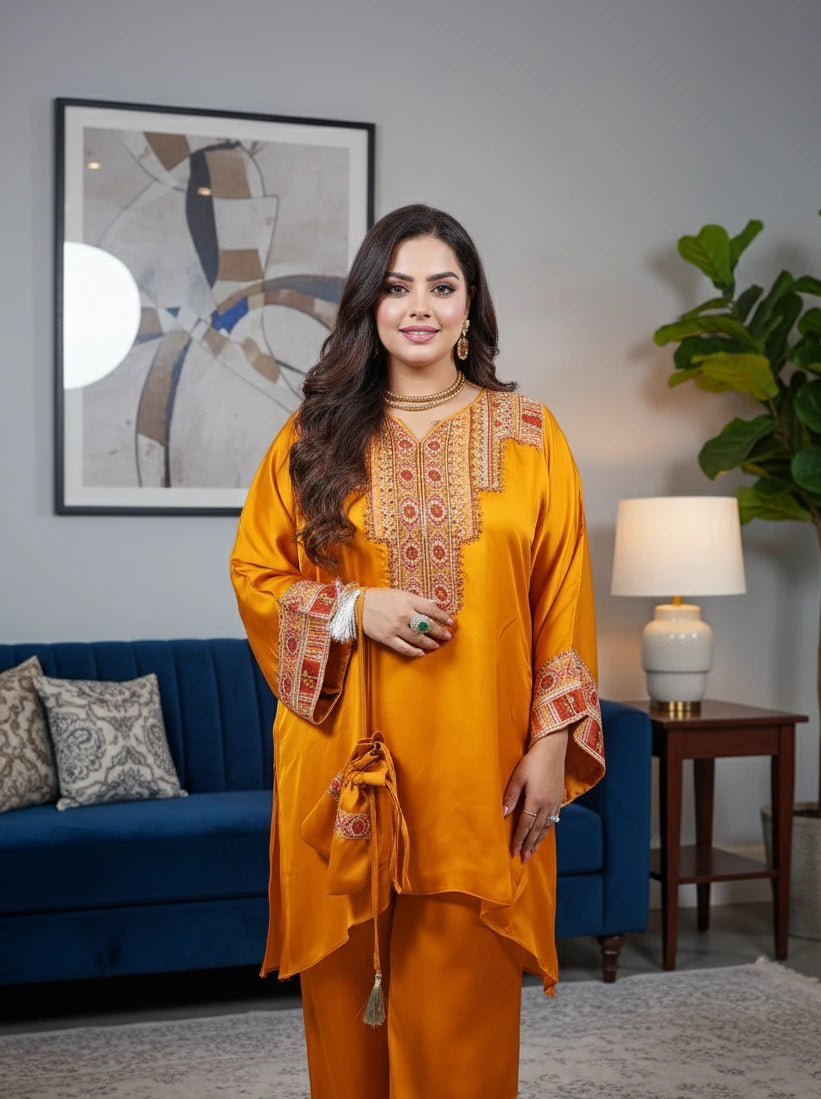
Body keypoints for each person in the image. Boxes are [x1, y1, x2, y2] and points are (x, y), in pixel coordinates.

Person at [230, 203, 605, 1099]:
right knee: (346, 1025)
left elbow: (563, 597)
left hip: (481, 772)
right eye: (398, 287)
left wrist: (553, 743)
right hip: (344, 775)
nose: (420, 307)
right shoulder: (313, 435)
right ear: (370, 303)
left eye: (442, 286)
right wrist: (356, 607)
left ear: (470, 304)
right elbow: (256, 575)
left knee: (463, 1029)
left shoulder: (532, 437)